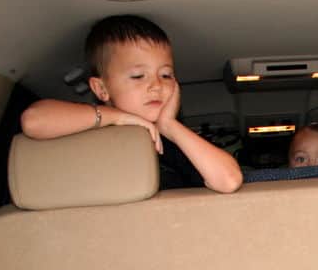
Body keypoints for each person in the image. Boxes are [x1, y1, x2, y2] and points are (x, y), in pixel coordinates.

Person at [20, 15, 242, 193]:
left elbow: (229, 180)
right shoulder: (82, 128)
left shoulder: (171, 145)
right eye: (138, 76)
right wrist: (117, 117)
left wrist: (169, 126)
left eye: (166, 75)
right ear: (101, 89)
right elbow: (34, 120)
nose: (156, 85)